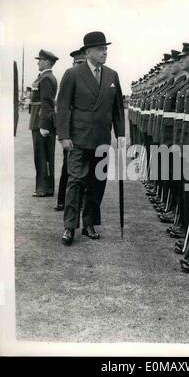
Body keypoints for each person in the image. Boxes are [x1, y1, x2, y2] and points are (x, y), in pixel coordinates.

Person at [56, 31, 125, 245]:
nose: (105, 52)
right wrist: (64, 136)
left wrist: (120, 134)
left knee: (97, 183)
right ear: (88, 52)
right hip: (78, 139)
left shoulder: (112, 75)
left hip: (102, 140)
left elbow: (117, 109)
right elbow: (63, 107)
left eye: (106, 49)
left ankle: (89, 223)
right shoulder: (73, 74)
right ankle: (69, 226)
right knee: (75, 182)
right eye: (100, 49)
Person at [54, 49, 86, 211]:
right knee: (68, 168)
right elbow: (62, 106)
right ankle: (62, 201)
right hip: (72, 130)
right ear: (73, 64)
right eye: (77, 63)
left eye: (82, 62)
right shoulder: (70, 76)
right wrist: (63, 134)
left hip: (84, 131)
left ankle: (79, 202)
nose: (79, 65)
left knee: (83, 171)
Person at [29, 49, 58, 197]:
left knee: (41, 156)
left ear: (46, 62)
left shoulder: (46, 78)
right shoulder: (46, 77)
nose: (38, 63)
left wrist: (43, 125)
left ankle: (42, 188)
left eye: (40, 60)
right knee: (46, 156)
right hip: (41, 120)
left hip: (41, 121)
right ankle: (47, 187)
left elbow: (46, 102)